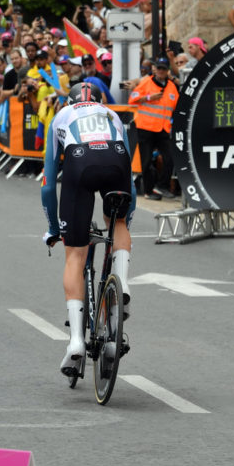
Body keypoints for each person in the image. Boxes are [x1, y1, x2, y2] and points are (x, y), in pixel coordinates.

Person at [40, 82, 135, 376]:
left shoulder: (61, 115)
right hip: (115, 158)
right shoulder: (111, 113)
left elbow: (47, 185)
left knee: (75, 256)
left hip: (80, 164)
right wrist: (125, 219)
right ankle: (122, 283)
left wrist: (54, 229)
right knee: (116, 223)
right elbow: (130, 176)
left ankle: (77, 344)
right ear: (99, 99)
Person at [128, 57, 179, 199]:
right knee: (146, 161)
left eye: (164, 68)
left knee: (170, 158)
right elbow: (132, 99)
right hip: (146, 127)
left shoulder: (171, 87)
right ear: (155, 69)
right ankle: (148, 191)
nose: (161, 71)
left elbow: (176, 106)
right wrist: (149, 97)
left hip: (163, 129)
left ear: (168, 70)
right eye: (159, 68)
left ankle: (161, 187)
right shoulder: (146, 82)